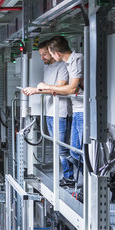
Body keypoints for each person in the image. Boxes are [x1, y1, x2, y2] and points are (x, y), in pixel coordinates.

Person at [22, 40, 74, 187]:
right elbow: (47, 88)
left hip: (61, 112)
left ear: (52, 52)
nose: (43, 57)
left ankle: (72, 176)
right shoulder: (48, 67)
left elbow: (60, 88)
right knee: (59, 147)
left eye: (45, 54)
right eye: (41, 55)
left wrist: (36, 90)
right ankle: (69, 176)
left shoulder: (63, 66)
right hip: (49, 112)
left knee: (63, 148)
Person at [37, 36, 84, 177]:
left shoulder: (76, 60)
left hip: (82, 110)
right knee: (74, 151)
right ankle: (83, 181)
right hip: (77, 110)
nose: (47, 57)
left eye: (48, 53)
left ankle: (96, 181)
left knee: (75, 151)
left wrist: (45, 87)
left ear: (56, 53)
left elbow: (71, 89)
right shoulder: (70, 63)